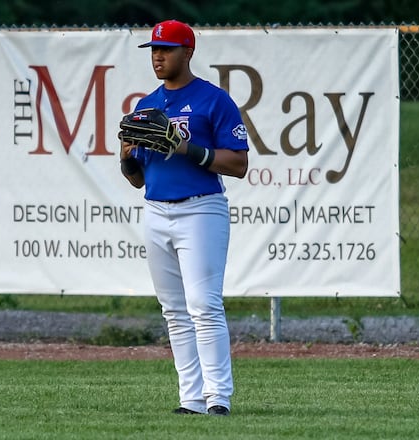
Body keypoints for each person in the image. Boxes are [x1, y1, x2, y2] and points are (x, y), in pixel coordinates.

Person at [119, 19, 249, 416]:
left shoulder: (213, 100)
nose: (158, 56)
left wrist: (186, 148)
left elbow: (239, 164)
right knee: (174, 311)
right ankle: (191, 400)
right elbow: (139, 179)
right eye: (154, 49)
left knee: (203, 305)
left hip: (201, 208)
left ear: (188, 52)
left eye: (166, 49)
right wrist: (126, 159)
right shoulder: (147, 105)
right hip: (156, 209)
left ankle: (218, 398)